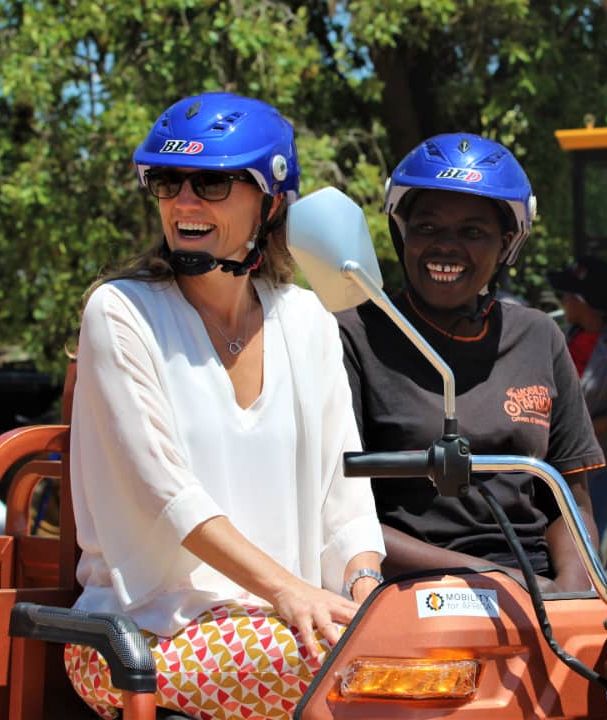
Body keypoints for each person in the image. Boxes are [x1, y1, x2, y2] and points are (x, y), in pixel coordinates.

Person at [63, 91, 385, 720]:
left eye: (212, 183)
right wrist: (289, 592)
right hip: (138, 637)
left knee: (430, 657)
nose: (183, 201)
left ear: (270, 200)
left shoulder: (307, 318)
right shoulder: (121, 311)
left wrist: (367, 594)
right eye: (167, 181)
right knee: (340, 673)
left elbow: (343, 499)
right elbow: (168, 498)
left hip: (285, 626)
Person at [337, 133, 605, 594]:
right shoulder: (353, 336)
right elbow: (341, 513)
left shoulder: (539, 336)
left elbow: (570, 500)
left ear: (506, 244)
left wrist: (577, 594)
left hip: (539, 591)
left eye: (472, 232)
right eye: (427, 227)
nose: (446, 247)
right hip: (413, 590)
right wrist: (499, 581)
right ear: (401, 233)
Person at [547, 257, 607, 544]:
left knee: (584, 544)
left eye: (566, 296)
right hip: (557, 464)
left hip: (603, 466)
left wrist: (606, 422)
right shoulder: (563, 336)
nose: (562, 302)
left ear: (582, 301)